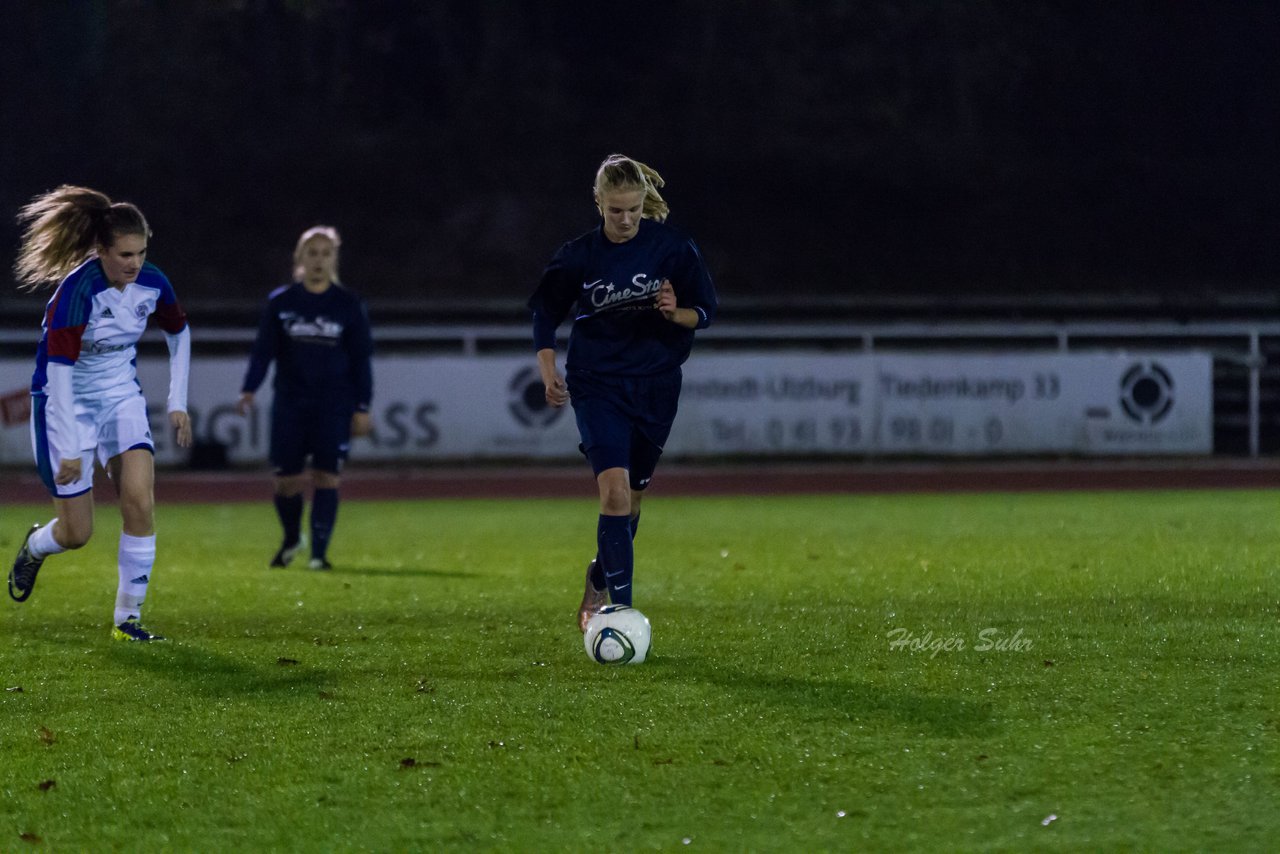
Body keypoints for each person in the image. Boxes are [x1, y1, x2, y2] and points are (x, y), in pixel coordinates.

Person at [528, 154, 718, 632]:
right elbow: (544, 313)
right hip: (597, 383)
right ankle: (621, 612)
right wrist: (548, 369)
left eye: (634, 209)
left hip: (656, 385)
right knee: (612, 495)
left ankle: (599, 578)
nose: (627, 219)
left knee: (631, 502)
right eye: (616, 210)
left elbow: (707, 312)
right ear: (599, 203)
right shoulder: (578, 255)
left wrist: (676, 312)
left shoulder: (673, 248)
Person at [8, 185, 192, 642]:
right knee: (77, 534)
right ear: (100, 250)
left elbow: (179, 332)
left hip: (120, 396)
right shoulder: (77, 292)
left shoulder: (153, 282)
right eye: (125, 254)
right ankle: (34, 546)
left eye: (141, 252)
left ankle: (128, 621)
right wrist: (72, 447)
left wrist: (177, 402)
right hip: (61, 403)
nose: (134, 263)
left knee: (139, 501)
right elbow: (60, 373)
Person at [237, 226, 373, 571]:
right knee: (286, 481)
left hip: (334, 404)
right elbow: (263, 352)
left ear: (334, 260)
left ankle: (318, 555)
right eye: (312, 253)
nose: (318, 260)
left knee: (327, 476)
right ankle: (291, 538)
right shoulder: (281, 303)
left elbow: (361, 359)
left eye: (326, 253)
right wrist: (249, 388)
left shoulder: (348, 304)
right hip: (291, 403)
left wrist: (362, 406)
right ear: (299, 259)